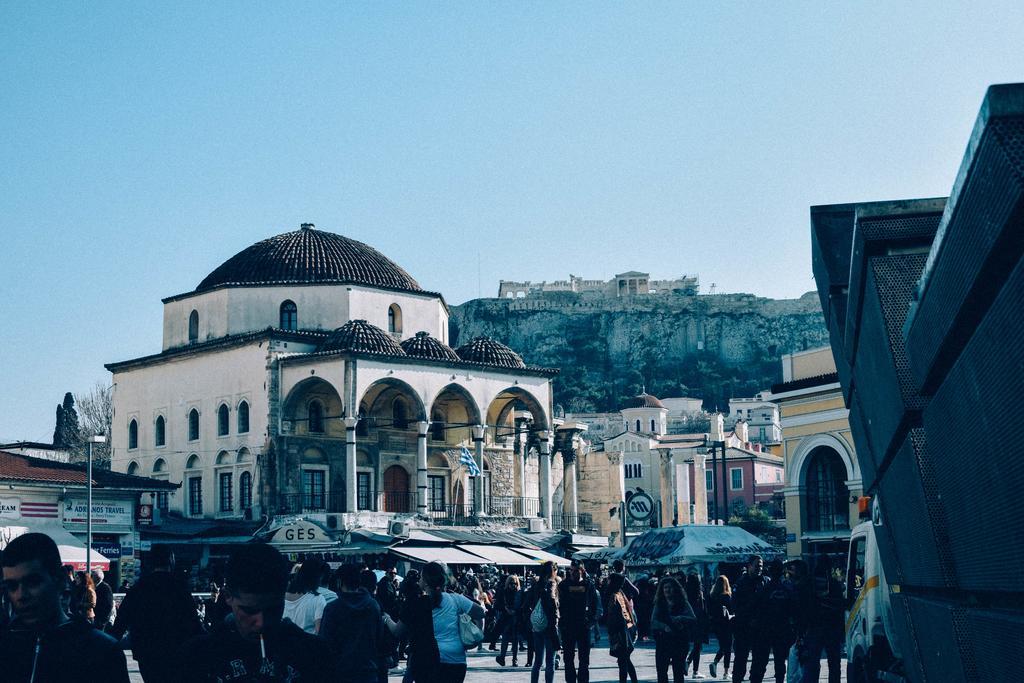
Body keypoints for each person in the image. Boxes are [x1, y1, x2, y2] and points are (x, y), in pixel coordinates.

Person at [181, 542, 336, 681]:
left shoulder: (313, 655)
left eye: (272, 610)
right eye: (249, 611)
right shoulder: (198, 658)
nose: (261, 623)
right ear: (228, 596)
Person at [0, 532, 130, 682]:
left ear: (60, 580)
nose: (21, 595)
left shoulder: (101, 651)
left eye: (32, 582)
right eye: (12, 586)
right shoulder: (8, 647)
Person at [110, 544, 203, 683]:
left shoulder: (138, 588)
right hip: (176, 651)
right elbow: (194, 623)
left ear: (149, 563)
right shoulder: (179, 587)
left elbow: (120, 623)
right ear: (171, 560)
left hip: (147, 653)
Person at [386, 560, 486, 683]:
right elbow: (480, 612)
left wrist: (386, 618)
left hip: (429, 661)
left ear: (426, 582)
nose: (419, 580)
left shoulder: (416, 603)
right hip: (457, 661)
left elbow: (398, 631)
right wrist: (477, 636)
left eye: (421, 577)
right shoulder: (456, 599)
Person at [321, 564, 383, 683]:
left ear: (340, 582)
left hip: (340, 672)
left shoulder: (332, 608)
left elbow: (326, 642)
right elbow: (379, 638)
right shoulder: (373, 605)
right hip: (368, 671)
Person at [799, 556, 844, 683]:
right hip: (832, 630)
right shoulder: (834, 584)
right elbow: (840, 609)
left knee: (812, 664)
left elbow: (800, 608)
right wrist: (841, 632)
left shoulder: (807, 583)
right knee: (834, 664)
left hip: (813, 628)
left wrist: (801, 631)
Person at [558, 560, 600, 683]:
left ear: (582, 571)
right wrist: (561, 623)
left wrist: (592, 621)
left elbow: (597, 606)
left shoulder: (589, 585)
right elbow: (558, 605)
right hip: (568, 627)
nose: (573, 573)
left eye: (576, 570)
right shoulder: (564, 586)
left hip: (584, 627)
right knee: (568, 659)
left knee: (584, 660)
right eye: (571, 570)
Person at [731, 555, 771, 683]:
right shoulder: (741, 583)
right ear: (749, 566)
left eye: (761, 566)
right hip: (744, 627)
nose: (760, 568)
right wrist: (748, 619)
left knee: (760, 662)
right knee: (740, 661)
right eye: (757, 565)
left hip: (761, 628)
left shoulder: (766, 581)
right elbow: (736, 606)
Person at [650, 576, 696, 683]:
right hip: (663, 641)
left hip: (680, 641)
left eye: (670, 587)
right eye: (665, 588)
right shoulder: (659, 604)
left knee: (678, 672)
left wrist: (681, 618)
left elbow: (693, 618)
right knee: (661, 672)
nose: (667, 590)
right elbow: (653, 621)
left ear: (675, 589)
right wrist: (663, 626)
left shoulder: (683, 603)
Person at [760, 560, 797, 683]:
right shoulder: (788, 588)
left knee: (762, 662)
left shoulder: (765, 588)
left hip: (767, 628)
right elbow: (793, 609)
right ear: (782, 571)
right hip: (782, 628)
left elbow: (758, 608)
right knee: (780, 662)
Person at [524, 560, 560, 683]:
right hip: (549, 624)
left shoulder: (536, 585)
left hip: (537, 625)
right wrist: (555, 616)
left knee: (538, 660)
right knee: (550, 661)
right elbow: (551, 600)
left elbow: (526, 604)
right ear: (553, 571)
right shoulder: (551, 583)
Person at [606, 573, 638, 683]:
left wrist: (612, 633)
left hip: (621, 632)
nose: (607, 582)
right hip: (627, 630)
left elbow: (613, 616)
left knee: (623, 661)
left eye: (609, 580)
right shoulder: (620, 593)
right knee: (625, 660)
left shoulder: (614, 596)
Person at [284, 559, 328, 634]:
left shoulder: (282, 597)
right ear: (319, 578)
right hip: (307, 644)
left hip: (285, 643)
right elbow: (319, 631)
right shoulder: (318, 599)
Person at [707, 575, 734, 680]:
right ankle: (726, 673)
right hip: (726, 625)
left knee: (723, 646)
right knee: (728, 648)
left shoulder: (712, 596)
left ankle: (715, 663)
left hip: (716, 625)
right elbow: (731, 611)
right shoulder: (727, 596)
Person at [684, 573, 709, 679]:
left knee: (687, 644)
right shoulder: (700, 593)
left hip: (687, 620)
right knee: (698, 646)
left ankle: (686, 662)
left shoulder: (685, 593)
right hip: (699, 621)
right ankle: (695, 670)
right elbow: (703, 609)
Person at [496, 574, 523, 667]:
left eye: (515, 583)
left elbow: (523, 605)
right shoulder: (503, 592)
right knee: (506, 639)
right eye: (511, 583)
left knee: (514, 640)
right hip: (506, 618)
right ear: (508, 583)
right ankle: (503, 658)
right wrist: (506, 609)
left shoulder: (519, 592)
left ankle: (514, 660)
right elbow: (497, 605)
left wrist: (515, 611)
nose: (513, 585)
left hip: (515, 619)